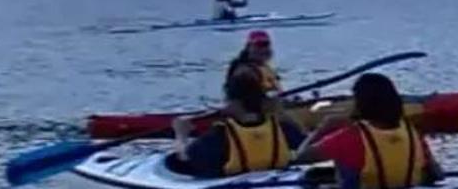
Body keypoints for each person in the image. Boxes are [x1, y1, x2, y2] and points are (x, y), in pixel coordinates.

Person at [293, 73, 440, 188]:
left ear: (360, 103)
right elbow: (437, 175)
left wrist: (325, 127)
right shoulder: (412, 133)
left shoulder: (350, 137)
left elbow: (299, 158)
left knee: (308, 177)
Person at [168, 69, 306, 177]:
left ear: (235, 103)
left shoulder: (220, 135)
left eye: (227, 100)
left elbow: (184, 162)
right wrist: (282, 114)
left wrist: (181, 135)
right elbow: (307, 144)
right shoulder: (282, 128)